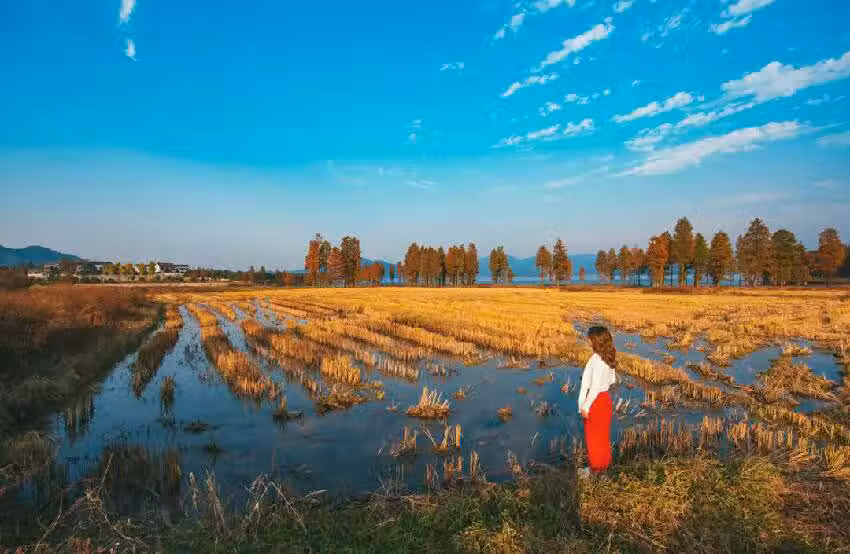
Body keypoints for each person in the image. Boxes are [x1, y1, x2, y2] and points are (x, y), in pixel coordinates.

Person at [577, 325, 617, 475]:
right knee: (603, 438)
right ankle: (603, 469)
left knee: (593, 440)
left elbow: (593, 389)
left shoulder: (597, 360)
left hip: (595, 403)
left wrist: (585, 407)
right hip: (605, 400)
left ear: (596, 341)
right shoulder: (608, 356)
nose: (588, 340)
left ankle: (594, 472)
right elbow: (612, 380)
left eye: (590, 338)